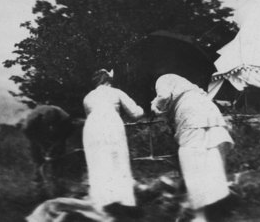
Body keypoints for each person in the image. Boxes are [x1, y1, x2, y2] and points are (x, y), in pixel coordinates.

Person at [151, 74, 234, 222]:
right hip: (208, 108)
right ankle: (216, 202)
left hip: (191, 112)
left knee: (190, 158)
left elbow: (163, 96)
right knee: (211, 154)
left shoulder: (162, 79)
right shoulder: (183, 81)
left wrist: (156, 106)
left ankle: (199, 213)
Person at [82, 69, 144, 208]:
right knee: (118, 160)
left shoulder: (88, 97)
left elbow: (88, 115)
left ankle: (103, 203)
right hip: (111, 124)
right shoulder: (116, 92)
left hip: (92, 127)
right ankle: (123, 202)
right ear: (108, 80)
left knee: (98, 162)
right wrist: (143, 109)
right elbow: (135, 113)